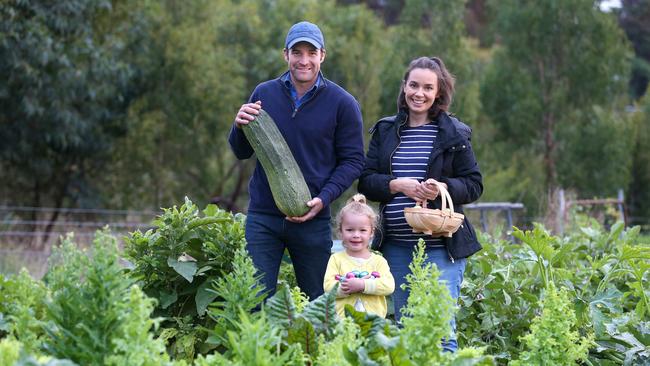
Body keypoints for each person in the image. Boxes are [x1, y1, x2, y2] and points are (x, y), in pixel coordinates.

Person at [228, 21, 365, 301]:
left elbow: (353, 161)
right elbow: (242, 152)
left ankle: (313, 346)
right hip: (264, 216)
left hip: (312, 216)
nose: (304, 60)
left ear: (322, 56)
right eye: (297, 52)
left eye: (311, 53)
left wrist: (323, 199)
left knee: (317, 301)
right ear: (285, 55)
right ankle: (258, 346)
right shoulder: (264, 94)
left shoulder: (342, 103)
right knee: (253, 298)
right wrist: (238, 125)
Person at [357, 56, 483, 351]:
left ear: (438, 92)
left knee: (441, 331)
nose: (419, 93)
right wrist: (394, 185)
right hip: (396, 248)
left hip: (441, 249)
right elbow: (365, 180)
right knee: (406, 329)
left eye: (428, 87)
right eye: (414, 85)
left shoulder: (454, 133)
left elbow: (474, 183)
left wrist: (441, 188)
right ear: (404, 87)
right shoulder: (386, 131)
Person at [323, 194, 395, 318]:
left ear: (371, 232)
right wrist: (346, 288)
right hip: (342, 322)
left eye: (362, 230)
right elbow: (328, 287)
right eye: (350, 230)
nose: (356, 235)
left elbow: (388, 285)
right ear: (340, 232)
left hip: (373, 323)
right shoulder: (336, 259)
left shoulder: (379, 261)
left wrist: (363, 285)